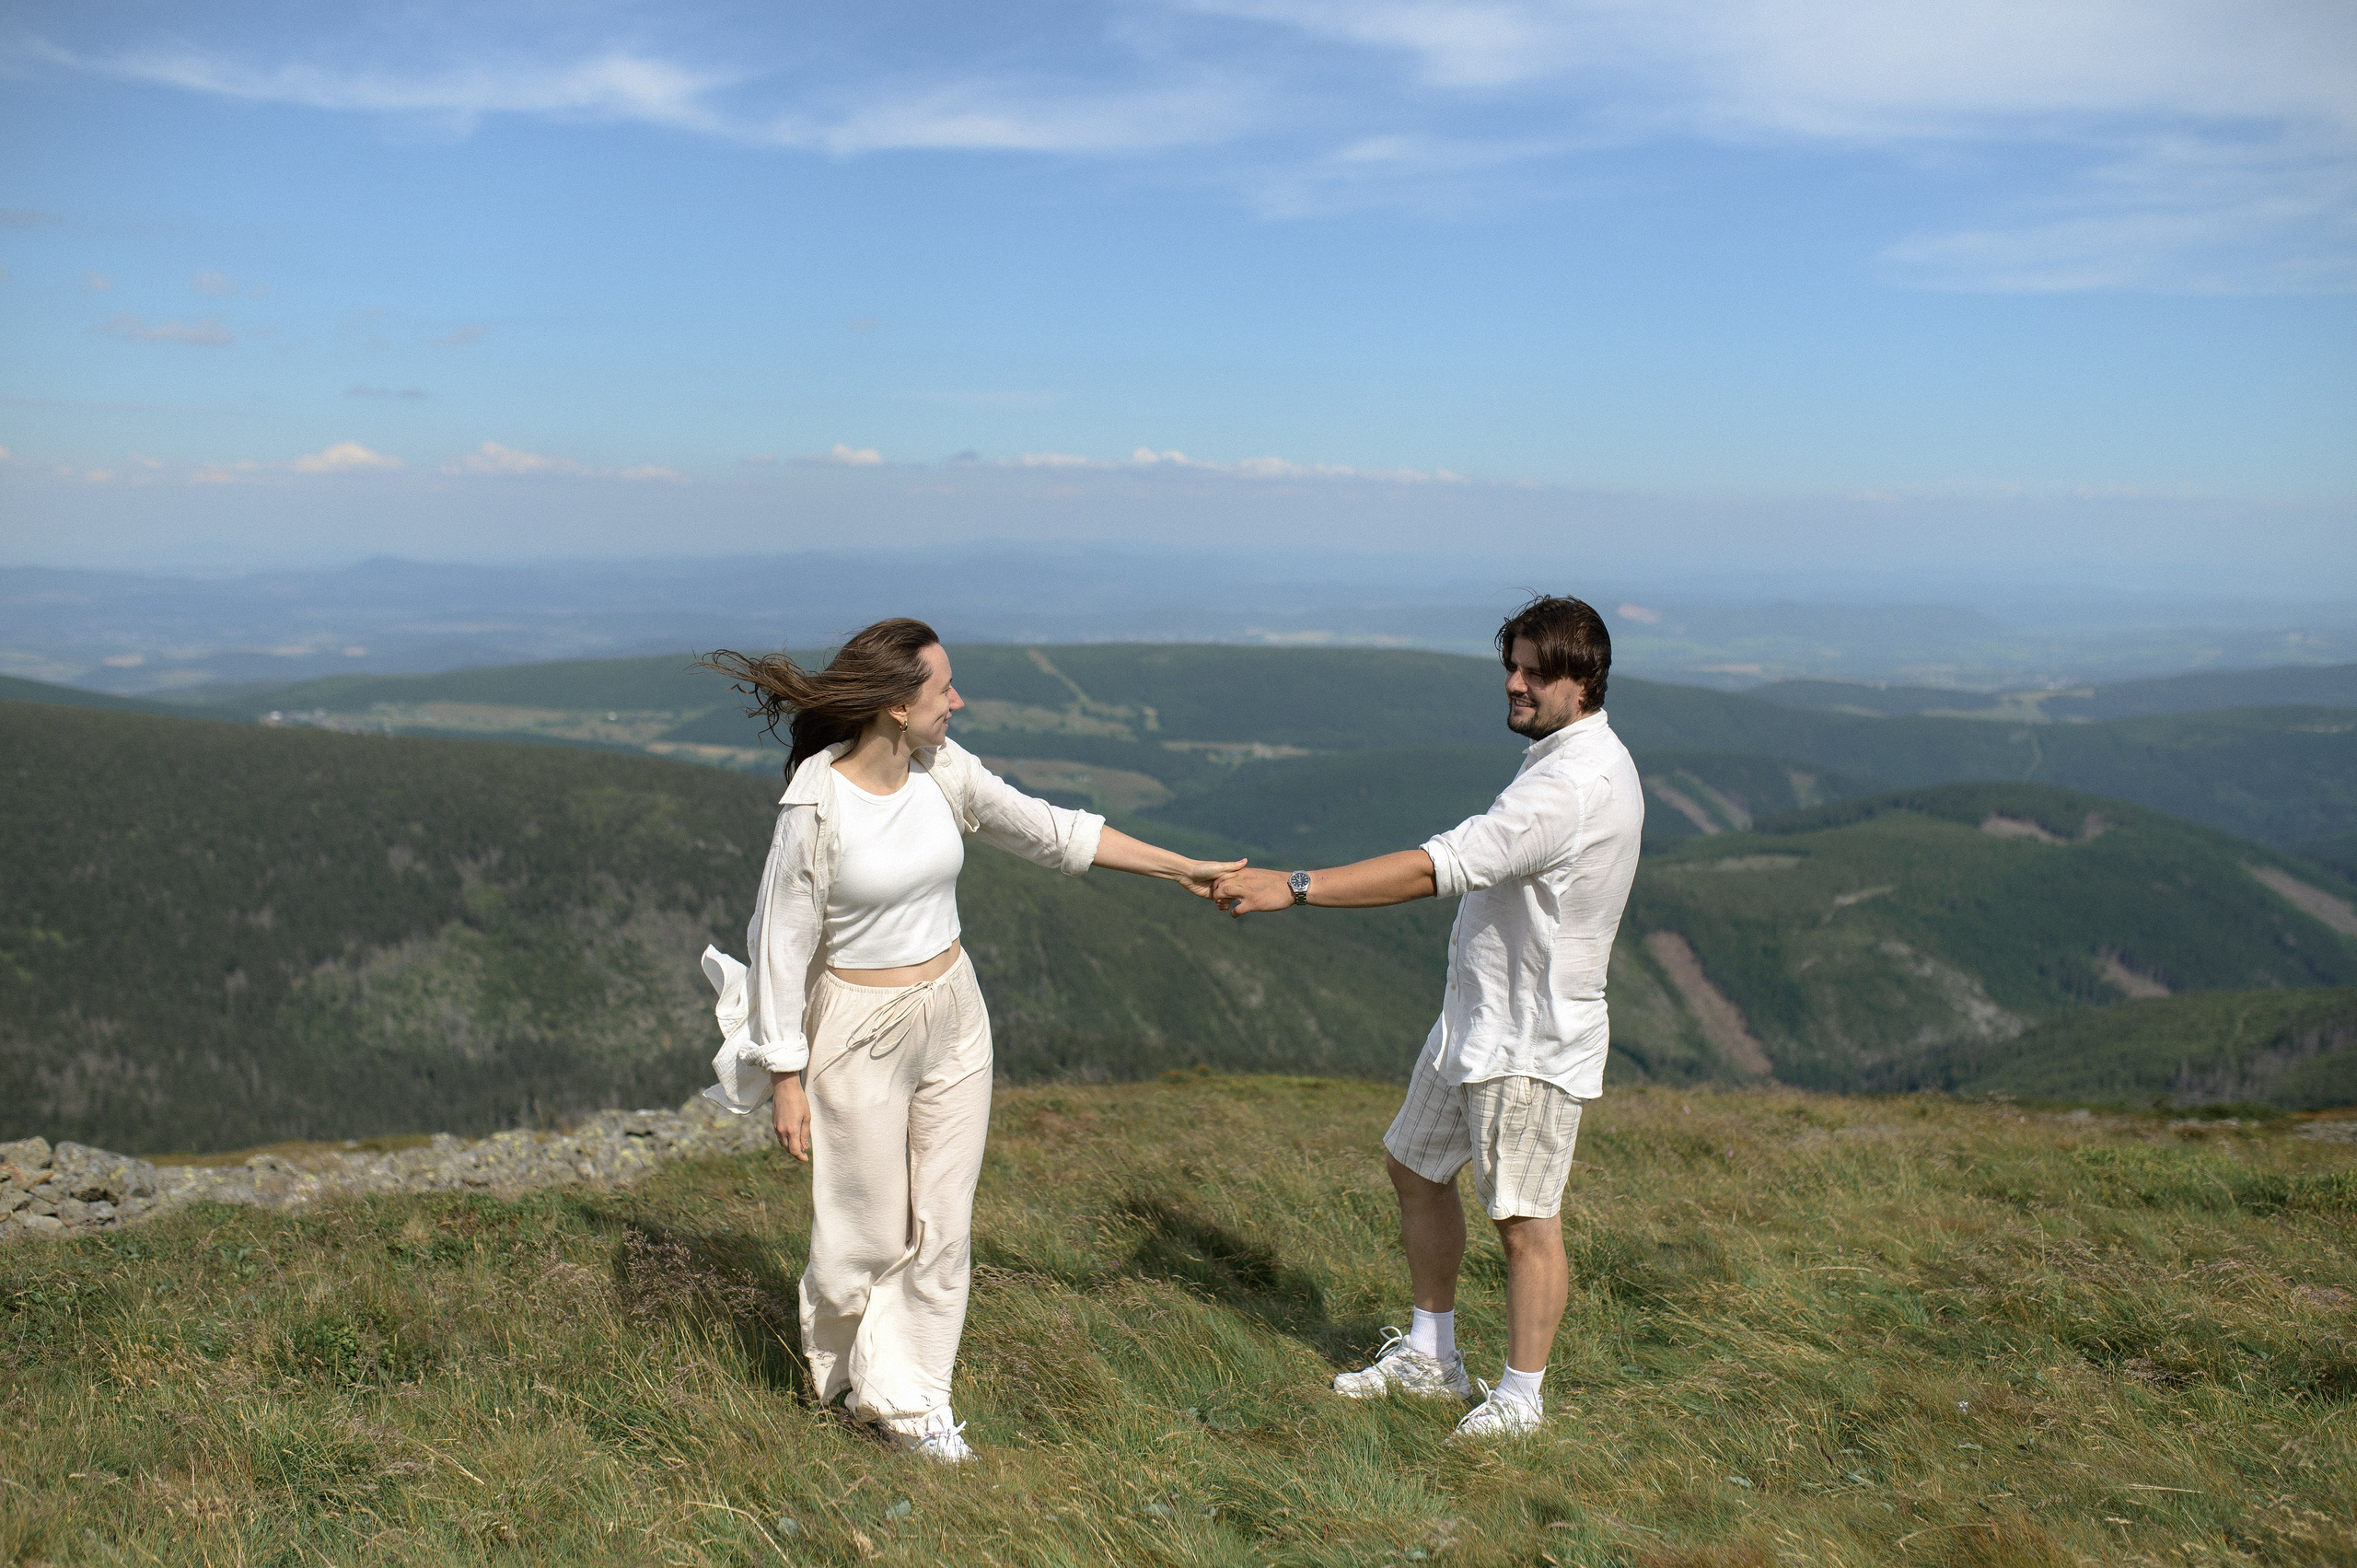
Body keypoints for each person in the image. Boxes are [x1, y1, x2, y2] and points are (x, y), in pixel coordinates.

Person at [697, 618, 1239, 1463]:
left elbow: (1055, 830)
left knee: (943, 1227)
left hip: (954, 1014)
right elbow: (782, 944)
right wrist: (787, 1074)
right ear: (892, 706)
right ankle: (845, 1385)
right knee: (866, 1234)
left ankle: (912, 1404)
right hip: (856, 1033)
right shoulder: (817, 803)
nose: (958, 700)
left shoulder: (941, 770)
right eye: (942, 688)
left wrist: (1184, 868)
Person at [1210, 594, 1642, 1437]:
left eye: (1532, 671)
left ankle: (1521, 1399)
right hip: (1478, 1019)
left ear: (1582, 680)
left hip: (1529, 1036)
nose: (1513, 684)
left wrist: (1292, 887)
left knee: (1523, 1216)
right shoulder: (1560, 754)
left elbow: (1436, 868)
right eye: (1509, 664)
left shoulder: (1573, 785)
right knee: (1414, 1164)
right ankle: (1432, 1355)